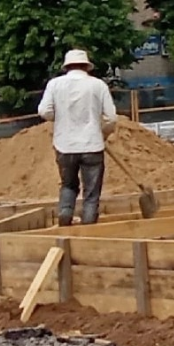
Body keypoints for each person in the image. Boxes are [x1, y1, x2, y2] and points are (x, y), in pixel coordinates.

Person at [37, 48, 117, 226]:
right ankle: (88, 223)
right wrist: (103, 134)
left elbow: (44, 111)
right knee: (91, 192)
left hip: (65, 145)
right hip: (92, 145)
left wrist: (59, 118)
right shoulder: (98, 85)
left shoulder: (55, 85)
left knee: (68, 184)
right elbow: (111, 118)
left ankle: (65, 212)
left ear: (66, 67)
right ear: (86, 66)